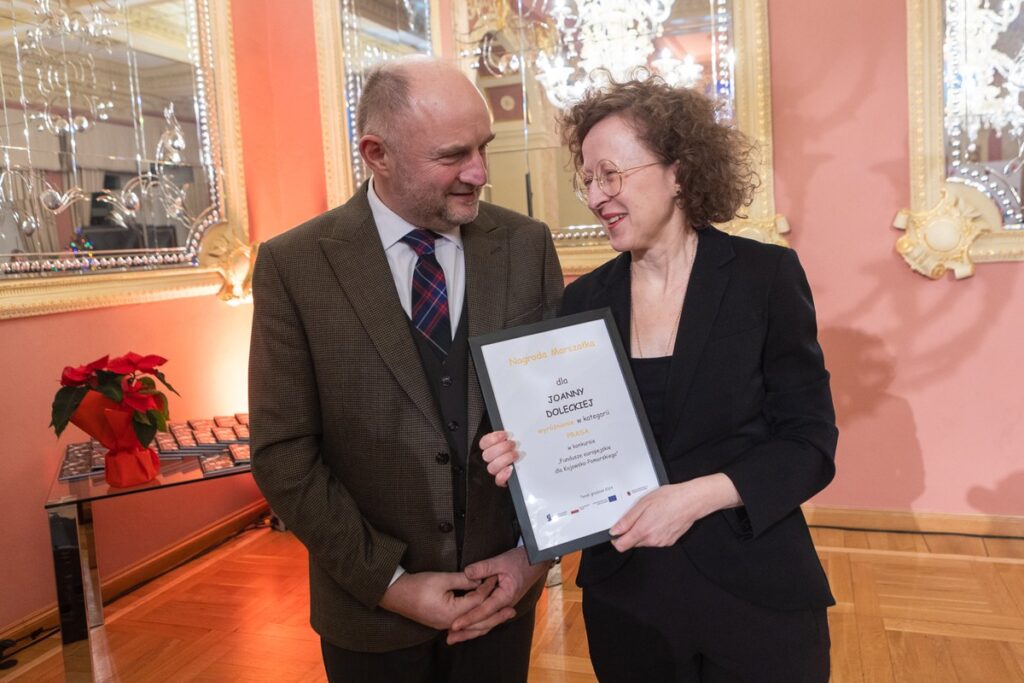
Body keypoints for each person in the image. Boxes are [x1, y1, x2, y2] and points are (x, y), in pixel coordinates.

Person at [479, 76, 838, 682]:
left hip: (756, 588)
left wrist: (693, 498)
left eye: (612, 173)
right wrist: (524, 456)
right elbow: (571, 440)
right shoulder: (583, 302)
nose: (596, 195)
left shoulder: (764, 277)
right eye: (588, 179)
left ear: (678, 171)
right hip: (628, 597)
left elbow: (810, 445)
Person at [248, 56, 563, 682]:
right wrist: (389, 584)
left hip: (503, 599)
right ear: (376, 153)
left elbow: (562, 413)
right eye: (453, 155)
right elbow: (284, 454)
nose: (479, 173)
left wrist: (529, 559)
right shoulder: (294, 266)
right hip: (370, 618)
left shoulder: (526, 245)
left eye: (484, 148)